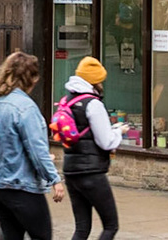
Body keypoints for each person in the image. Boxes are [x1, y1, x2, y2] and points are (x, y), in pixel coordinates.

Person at [0, 52, 62, 240]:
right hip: (21, 187)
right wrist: (55, 179)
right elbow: (37, 150)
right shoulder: (26, 108)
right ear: (31, 78)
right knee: (42, 236)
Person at [56, 57, 123, 240]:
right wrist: (119, 132)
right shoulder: (93, 104)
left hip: (71, 171)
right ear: (95, 80)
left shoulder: (67, 100)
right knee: (111, 226)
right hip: (92, 173)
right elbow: (106, 142)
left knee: (82, 228)